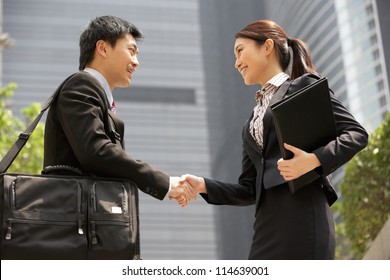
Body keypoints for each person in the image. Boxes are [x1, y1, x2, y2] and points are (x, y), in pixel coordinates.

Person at [180, 19, 369, 259]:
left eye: (240, 51)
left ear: (267, 46)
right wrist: (204, 185)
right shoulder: (251, 121)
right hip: (266, 228)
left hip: (303, 217)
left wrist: (314, 160)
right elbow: (249, 188)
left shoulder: (302, 86)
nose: (236, 62)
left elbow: (356, 134)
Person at [43, 15, 195, 233]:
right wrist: (166, 183)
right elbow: (97, 151)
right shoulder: (81, 85)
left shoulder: (99, 97)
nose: (136, 62)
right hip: (72, 230)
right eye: (131, 51)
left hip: (85, 228)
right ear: (103, 48)